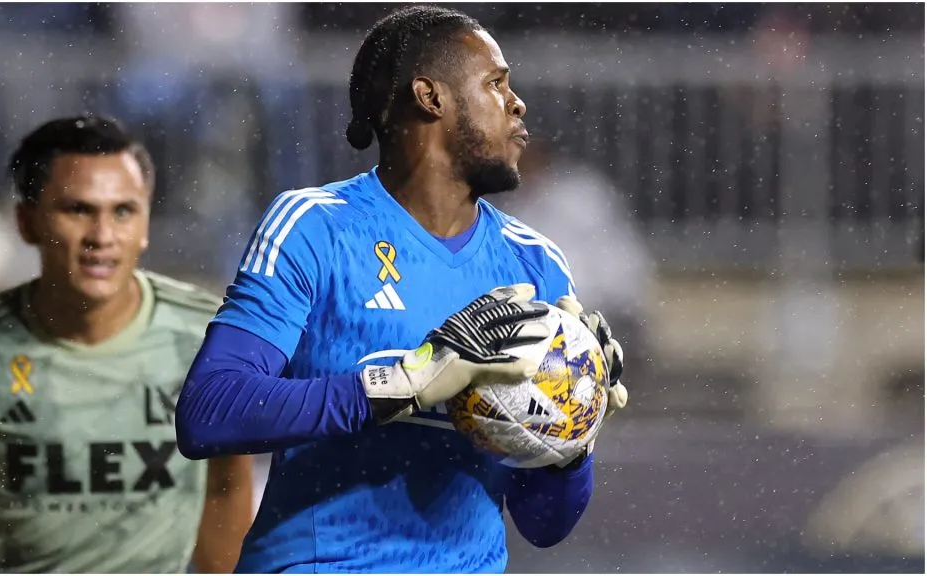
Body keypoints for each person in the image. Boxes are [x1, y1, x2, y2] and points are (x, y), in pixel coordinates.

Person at [176, 5, 628, 573]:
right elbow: (209, 411)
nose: (518, 104)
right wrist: (401, 385)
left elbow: (544, 526)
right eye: (496, 84)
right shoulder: (315, 226)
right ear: (430, 96)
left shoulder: (535, 262)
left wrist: (571, 436)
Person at [0, 116, 254, 573]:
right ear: (26, 223)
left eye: (123, 211)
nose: (102, 237)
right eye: (78, 210)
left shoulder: (206, 338)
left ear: (146, 224)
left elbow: (225, 489)